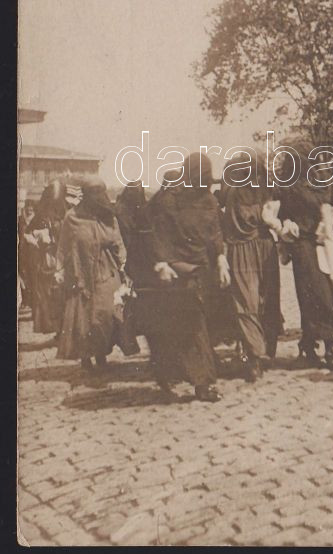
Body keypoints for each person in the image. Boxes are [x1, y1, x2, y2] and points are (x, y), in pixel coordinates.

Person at [147, 154, 230, 402]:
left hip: (204, 271)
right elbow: (158, 234)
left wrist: (222, 259)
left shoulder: (210, 201)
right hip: (176, 272)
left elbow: (216, 234)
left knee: (194, 326)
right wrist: (162, 263)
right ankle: (201, 383)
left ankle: (178, 373)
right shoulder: (168, 202)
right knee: (191, 326)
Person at [278, 142, 333, 370]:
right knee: (315, 296)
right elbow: (281, 214)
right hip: (305, 247)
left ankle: (328, 345)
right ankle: (313, 343)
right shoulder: (290, 185)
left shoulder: (322, 180)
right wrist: (287, 225)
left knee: (331, 294)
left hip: (328, 244)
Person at [56, 177, 127, 371]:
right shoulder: (72, 217)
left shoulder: (108, 217)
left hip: (106, 270)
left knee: (107, 313)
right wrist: (59, 268)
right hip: (80, 272)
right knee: (84, 318)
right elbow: (62, 245)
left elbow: (118, 242)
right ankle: (86, 356)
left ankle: (101, 351)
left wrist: (123, 263)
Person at [222, 156, 283, 381]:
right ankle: (261, 351)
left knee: (247, 300)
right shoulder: (266, 190)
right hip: (264, 248)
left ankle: (255, 353)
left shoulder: (232, 193)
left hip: (242, 251)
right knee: (262, 299)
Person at [25, 181, 69, 335]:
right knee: (49, 295)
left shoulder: (67, 212)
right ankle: (55, 328)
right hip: (47, 259)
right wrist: (38, 238)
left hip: (63, 259)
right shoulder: (41, 215)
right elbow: (27, 234)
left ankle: (62, 329)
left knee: (62, 295)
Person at [18, 200, 35, 309]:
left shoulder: (35, 220)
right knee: (23, 274)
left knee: (32, 275)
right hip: (22, 251)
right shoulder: (21, 220)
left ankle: (30, 301)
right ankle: (25, 300)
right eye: (28, 207)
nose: (29, 209)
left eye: (31, 208)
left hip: (33, 252)